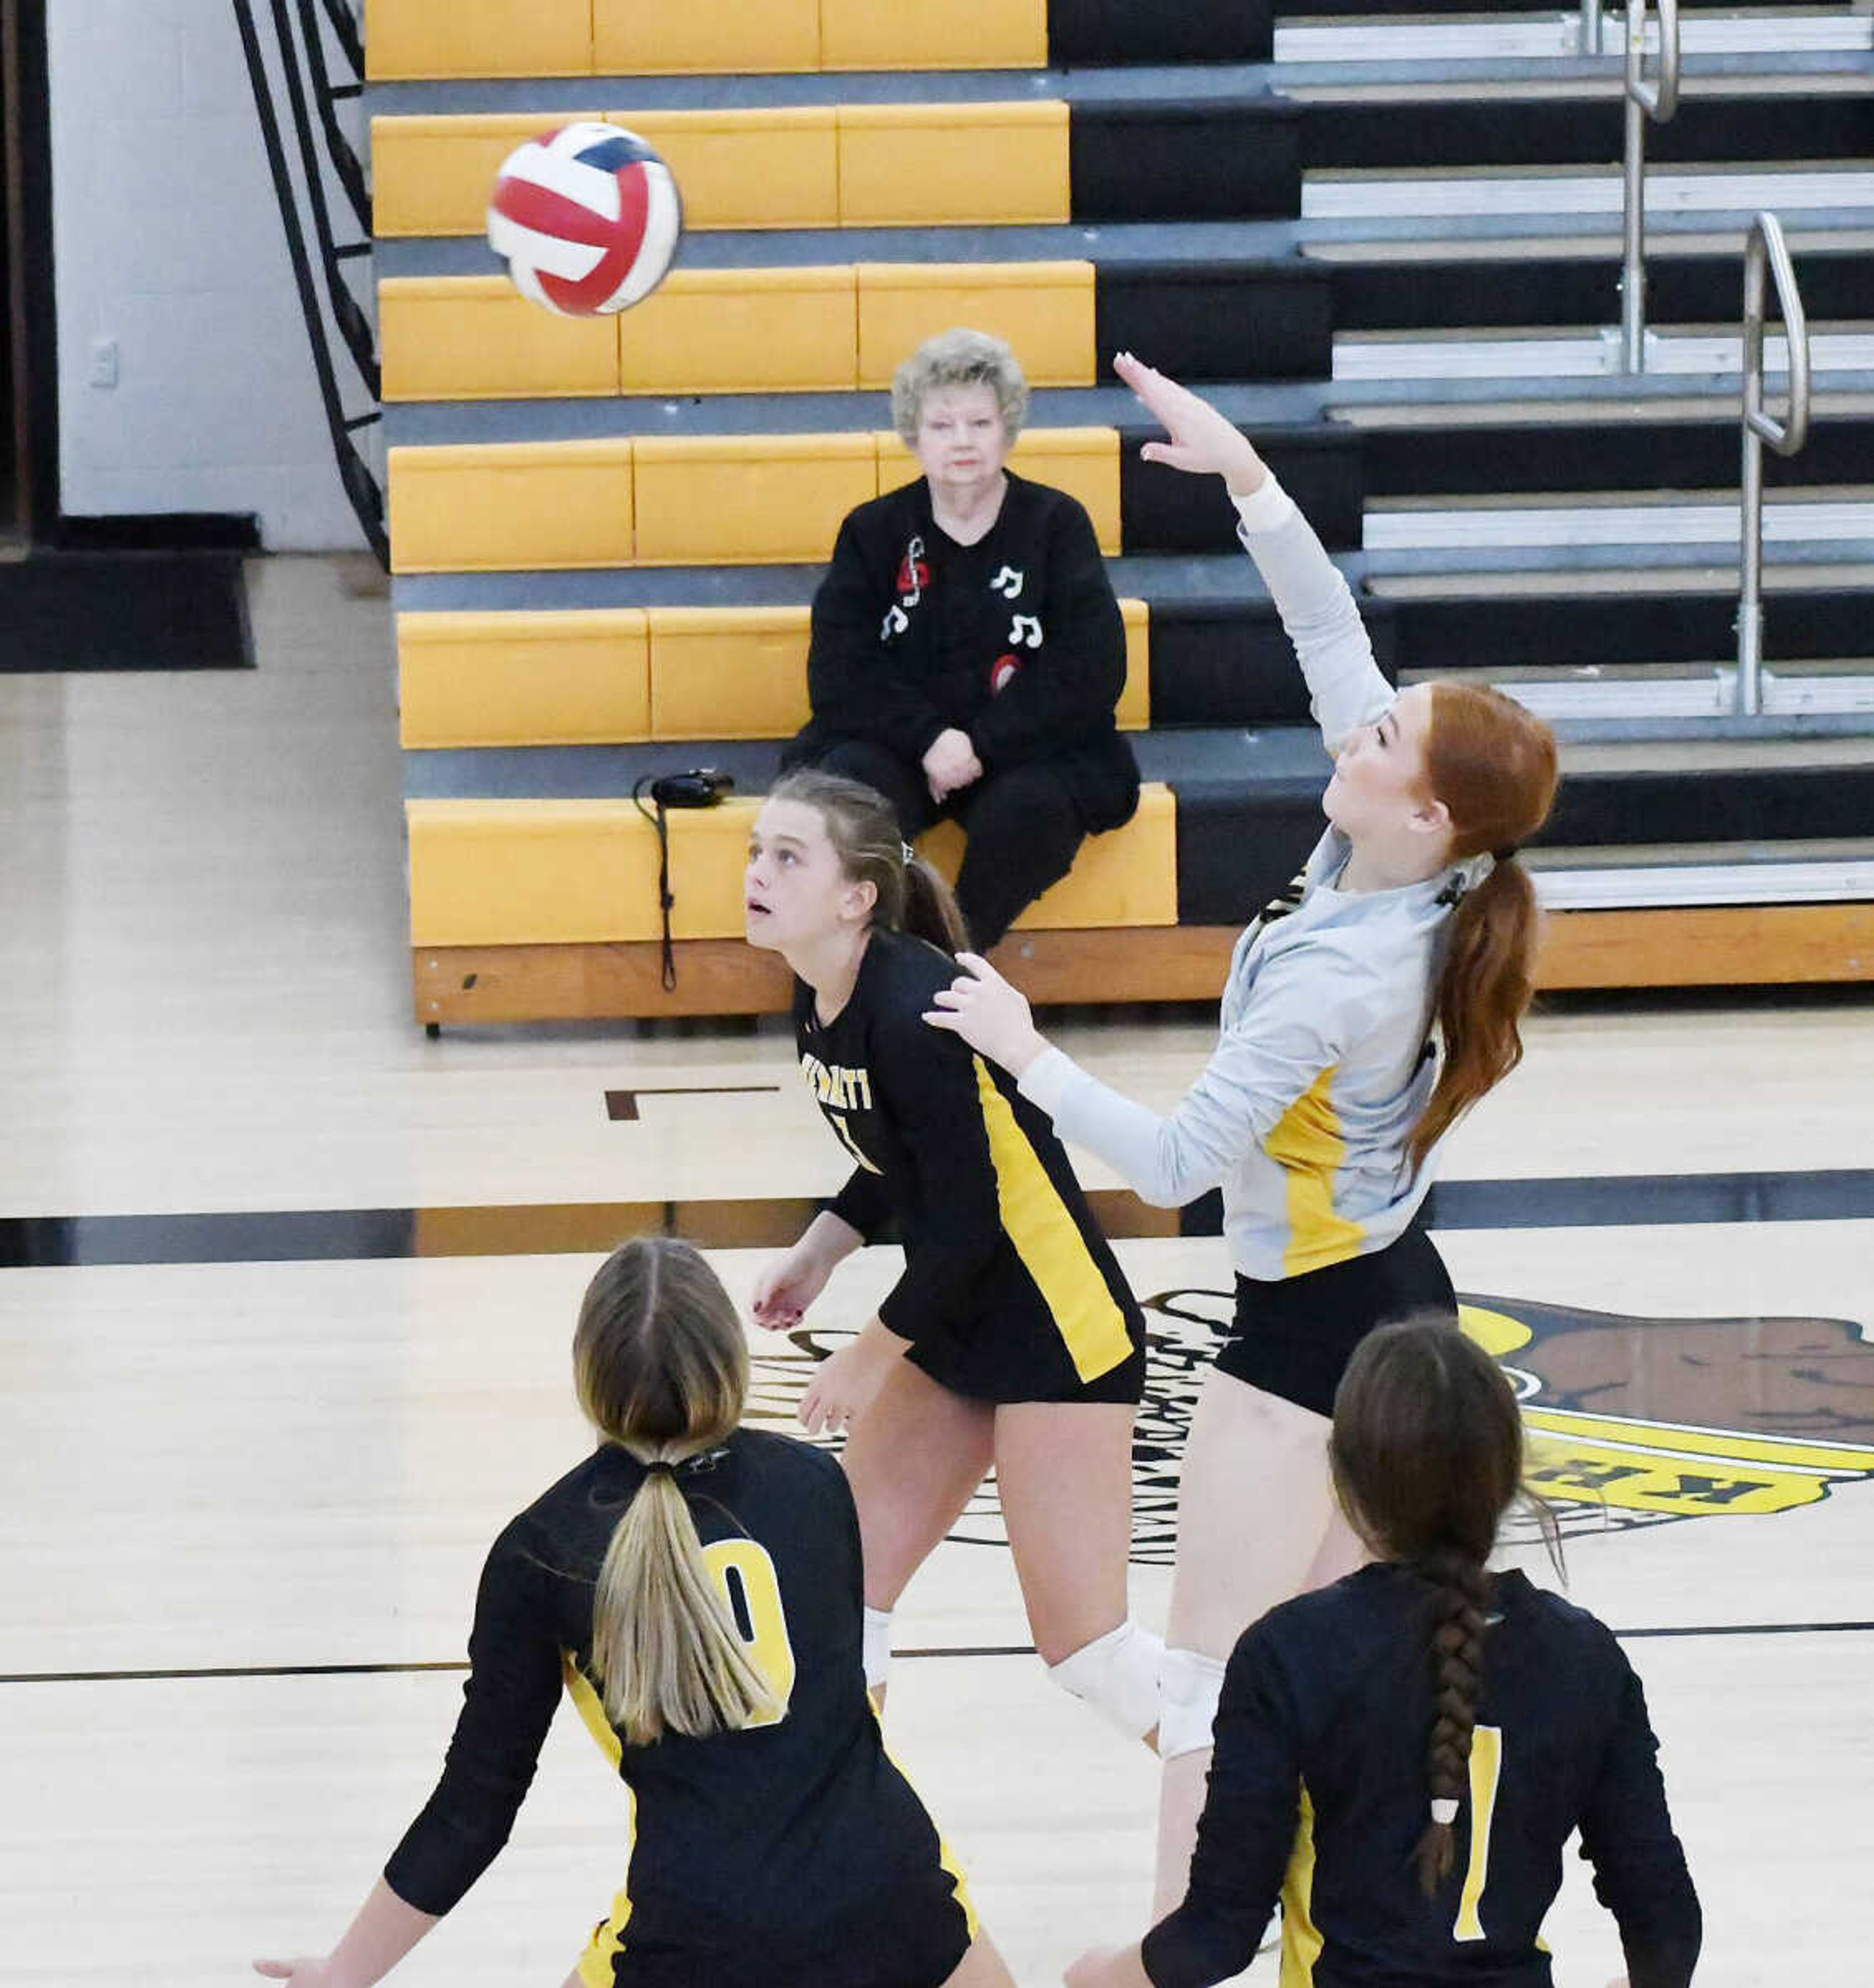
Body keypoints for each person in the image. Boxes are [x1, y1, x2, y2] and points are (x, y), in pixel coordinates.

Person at [926, 351, 1562, 1911]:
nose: (1346, 735)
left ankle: (1174, 1946)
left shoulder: (1349, 974)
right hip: (1392, 1297)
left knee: (1208, 1686)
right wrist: (1246, 478)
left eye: (1376, 743)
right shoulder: (1410, 855)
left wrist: (1022, 1047)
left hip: (1311, 1342)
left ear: (1421, 813)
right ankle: (1337, 1928)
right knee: (1348, 1680)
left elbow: (1168, 1166)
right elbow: (1326, 635)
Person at [252, 1236, 1015, 1988]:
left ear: (590, 1379)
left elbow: (471, 1814)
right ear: (730, 1360)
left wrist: (343, 1974)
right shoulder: (816, 1482)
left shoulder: (542, 1548)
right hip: (892, 1890)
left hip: (701, 1932)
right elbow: (847, 1702)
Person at [1064, 1319, 1701, 1988]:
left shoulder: (1291, 1653)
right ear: (1509, 1474)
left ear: (1346, 1482)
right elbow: (1666, 1923)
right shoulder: (1586, 1658)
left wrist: (1096, 1976)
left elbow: (1217, 1935)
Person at [745, 767, 1161, 1748]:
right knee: (837, 1602)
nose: (757, 873)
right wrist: (822, 1247)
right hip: (959, 1312)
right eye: (756, 852)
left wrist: (864, 1358)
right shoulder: (825, 990)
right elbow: (898, 1159)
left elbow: (973, 1225)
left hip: (1058, 1334)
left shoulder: (913, 1010)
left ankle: (1282, 1815)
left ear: (857, 897)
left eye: (787, 857)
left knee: (1090, 1654)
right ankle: (852, 1852)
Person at [779, 325, 1141, 951]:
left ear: (1009, 427)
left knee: (1032, 809)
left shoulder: (1057, 524)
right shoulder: (872, 531)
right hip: (898, 746)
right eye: (943, 426)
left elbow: (1092, 666)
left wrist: (980, 745)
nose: (964, 442)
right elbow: (840, 671)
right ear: (914, 436)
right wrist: (929, 740)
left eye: (980, 423)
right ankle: (868, 962)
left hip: (1023, 748)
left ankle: (947, 960)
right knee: (850, 797)